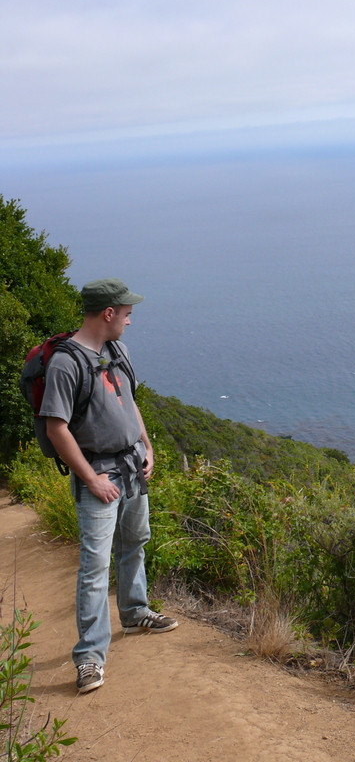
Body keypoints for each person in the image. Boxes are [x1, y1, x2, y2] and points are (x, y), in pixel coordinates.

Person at [40, 278, 177, 693]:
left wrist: (147, 447)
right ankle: (89, 657)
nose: (130, 322)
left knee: (134, 544)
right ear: (109, 313)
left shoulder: (118, 351)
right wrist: (91, 478)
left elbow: (129, 403)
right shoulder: (65, 364)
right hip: (99, 473)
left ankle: (135, 614)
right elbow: (57, 428)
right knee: (95, 566)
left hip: (132, 466)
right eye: (127, 314)